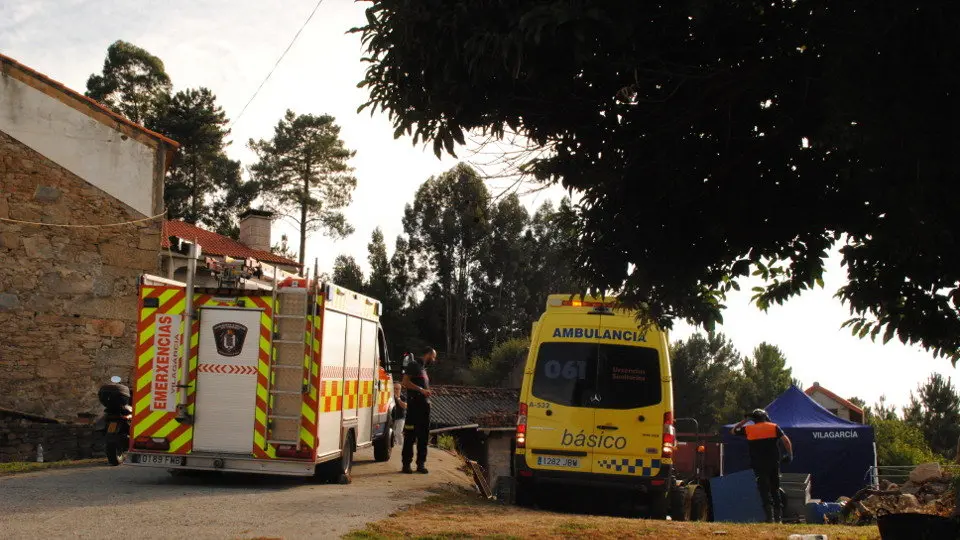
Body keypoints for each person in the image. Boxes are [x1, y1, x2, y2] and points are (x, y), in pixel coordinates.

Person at [731, 408, 794, 523]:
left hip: (759, 465)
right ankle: (778, 518)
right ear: (765, 417)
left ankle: (769, 518)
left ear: (754, 419)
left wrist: (744, 421)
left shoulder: (749, 429)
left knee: (764, 490)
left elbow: (733, 431)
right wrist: (790, 455)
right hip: (774, 463)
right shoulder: (774, 427)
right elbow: (786, 441)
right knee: (775, 489)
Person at [401, 347, 436, 474]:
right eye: (433, 357)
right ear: (428, 354)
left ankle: (421, 464)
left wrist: (427, 397)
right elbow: (405, 382)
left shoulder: (424, 370)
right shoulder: (413, 365)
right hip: (413, 408)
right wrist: (421, 390)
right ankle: (406, 465)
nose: (434, 360)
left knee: (423, 437)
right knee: (410, 436)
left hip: (424, 408)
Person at [392, 382, 407, 447]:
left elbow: (404, 406)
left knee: (398, 433)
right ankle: (395, 445)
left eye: (397, 389)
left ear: (400, 390)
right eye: (394, 388)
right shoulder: (390, 396)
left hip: (401, 418)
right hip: (392, 418)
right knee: (392, 433)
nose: (395, 390)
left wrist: (398, 398)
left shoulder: (403, 397)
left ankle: (401, 446)